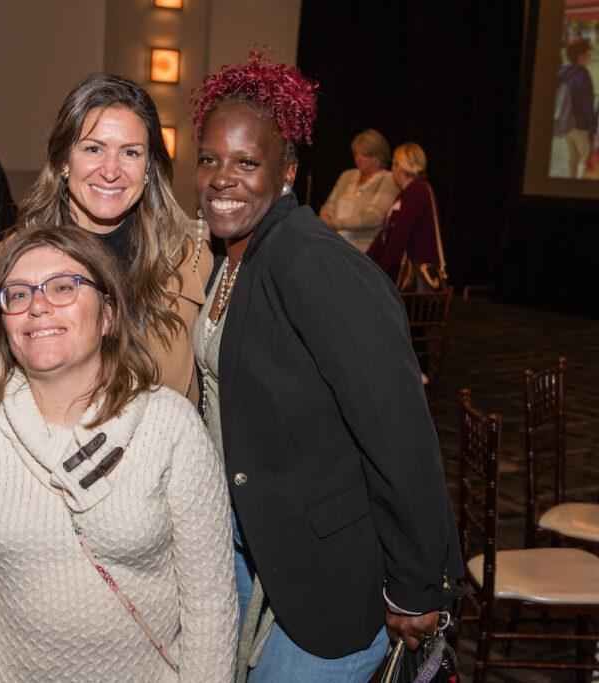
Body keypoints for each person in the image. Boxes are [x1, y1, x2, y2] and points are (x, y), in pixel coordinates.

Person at [191, 50, 462, 681]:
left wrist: (419, 583)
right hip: (256, 541)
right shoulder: (235, 256)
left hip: (329, 573)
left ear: (287, 171)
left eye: (247, 162)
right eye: (209, 159)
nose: (223, 178)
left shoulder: (314, 265)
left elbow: (398, 430)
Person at [0, 225, 237, 681]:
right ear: (3, 324)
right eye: (18, 294)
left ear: (107, 315)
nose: (38, 305)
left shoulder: (170, 425)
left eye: (63, 287)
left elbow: (211, 598)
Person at [19, 74, 212, 403]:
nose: (111, 171)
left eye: (130, 153)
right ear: (64, 160)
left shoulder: (189, 255)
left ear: (149, 166)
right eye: (93, 149)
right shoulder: (18, 263)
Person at [366, 142, 441, 283]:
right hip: (399, 274)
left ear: (399, 166)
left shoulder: (417, 192)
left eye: (394, 163)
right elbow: (387, 234)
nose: (392, 169)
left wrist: (381, 271)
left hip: (412, 278)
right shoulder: (408, 193)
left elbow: (400, 236)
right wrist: (366, 262)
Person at [318, 128, 398, 251]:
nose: (358, 158)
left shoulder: (389, 179)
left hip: (363, 250)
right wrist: (325, 217)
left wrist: (338, 223)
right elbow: (329, 204)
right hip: (334, 243)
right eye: (356, 154)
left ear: (378, 157)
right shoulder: (347, 175)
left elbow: (375, 216)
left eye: (364, 155)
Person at [558, 39, 597, 178]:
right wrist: (593, 130)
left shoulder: (564, 71)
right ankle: (578, 187)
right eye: (588, 54)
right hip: (581, 127)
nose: (590, 56)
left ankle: (569, 182)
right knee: (586, 159)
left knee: (573, 156)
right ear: (580, 56)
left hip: (566, 124)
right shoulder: (583, 76)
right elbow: (587, 107)